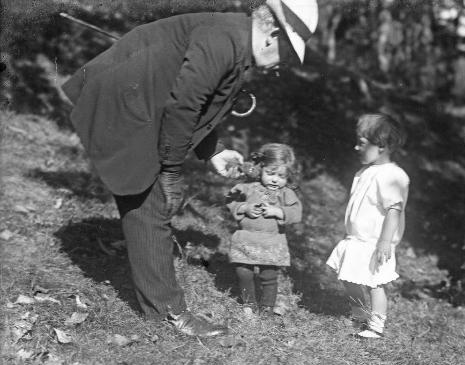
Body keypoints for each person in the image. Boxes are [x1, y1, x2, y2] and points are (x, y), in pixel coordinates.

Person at [60, 0, 319, 336]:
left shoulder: (235, 41)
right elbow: (184, 106)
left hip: (143, 102)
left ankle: (162, 308)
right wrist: (169, 171)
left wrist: (214, 149)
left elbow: (202, 101)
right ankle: (169, 314)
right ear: (271, 33)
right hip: (125, 102)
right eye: (287, 53)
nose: (282, 65)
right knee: (150, 205)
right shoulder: (223, 41)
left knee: (148, 205)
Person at [326, 113, 410, 338]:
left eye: (361, 143)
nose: (356, 147)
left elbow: (394, 209)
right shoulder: (366, 171)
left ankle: (376, 325)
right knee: (348, 277)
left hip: (375, 241)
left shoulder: (393, 175)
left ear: (381, 146)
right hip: (357, 238)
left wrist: (384, 242)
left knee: (375, 283)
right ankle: (359, 314)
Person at [225, 143, 302, 316]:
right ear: (260, 169)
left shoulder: (286, 193)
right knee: (243, 271)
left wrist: (278, 211)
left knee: (268, 276)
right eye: (270, 173)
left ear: (288, 176)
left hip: (271, 241)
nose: (275, 179)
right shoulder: (248, 187)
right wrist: (244, 208)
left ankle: (267, 307)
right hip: (246, 239)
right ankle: (249, 304)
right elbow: (230, 200)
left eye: (281, 176)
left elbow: (296, 212)